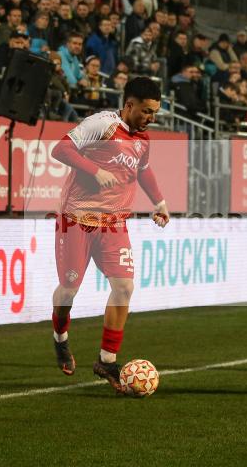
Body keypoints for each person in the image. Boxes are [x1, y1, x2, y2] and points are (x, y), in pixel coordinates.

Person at [48, 77, 170, 393]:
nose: (151, 118)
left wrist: (159, 202)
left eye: (154, 112)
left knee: (124, 286)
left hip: (114, 225)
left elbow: (143, 169)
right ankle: (60, 336)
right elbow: (60, 149)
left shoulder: (143, 139)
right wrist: (95, 170)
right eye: (146, 111)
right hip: (76, 220)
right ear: (129, 105)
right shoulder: (103, 124)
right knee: (68, 290)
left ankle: (107, 360)